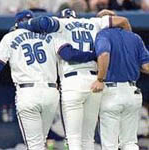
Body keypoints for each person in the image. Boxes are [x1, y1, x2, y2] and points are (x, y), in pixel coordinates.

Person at [17, 9, 131, 150]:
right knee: (88, 137)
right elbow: (123, 21)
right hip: (94, 81)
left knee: (73, 139)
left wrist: (22, 26)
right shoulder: (93, 22)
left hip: (72, 82)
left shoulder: (60, 25)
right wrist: (127, 41)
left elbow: (67, 53)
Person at [0, 10, 60, 150]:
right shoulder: (50, 37)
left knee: (34, 144)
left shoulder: (10, 37)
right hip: (51, 92)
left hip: (28, 93)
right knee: (40, 142)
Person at [91, 27, 149, 150]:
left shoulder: (103, 34)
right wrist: (130, 65)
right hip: (132, 90)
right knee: (129, 142)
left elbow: (104, 54)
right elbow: (146, 66)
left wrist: (100, 79)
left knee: (110, 144)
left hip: (111, 92)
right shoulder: (135, 37)